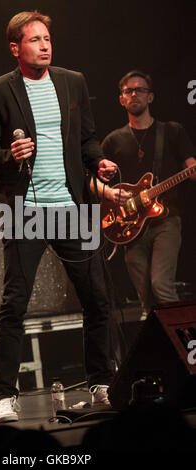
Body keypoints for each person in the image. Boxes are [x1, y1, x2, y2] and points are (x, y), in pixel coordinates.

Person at [0, 10, 118, 423]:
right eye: (35, 39)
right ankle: (6, 396)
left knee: (97, 298)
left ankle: (101, 384)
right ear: (15, 47)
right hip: (24, 211)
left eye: (47, 38)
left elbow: (86, 139)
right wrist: (10, 155)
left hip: (71, 208)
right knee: (14, 303)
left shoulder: (73, 81)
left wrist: (100, 162)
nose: (44, 45)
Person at [99, 70, 196, 320]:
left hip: (166, 221)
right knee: (146, 298)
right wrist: (109, 193)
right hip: (130, 226)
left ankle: (185, 348)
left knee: (161, 286)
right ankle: (161, 350)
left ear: (151, 97)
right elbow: (93, 181)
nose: (134, 94)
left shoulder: (172, 131)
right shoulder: (113, 140)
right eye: (128, 90)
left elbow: (191, 168)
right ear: (121, 99)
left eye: (140, 90)